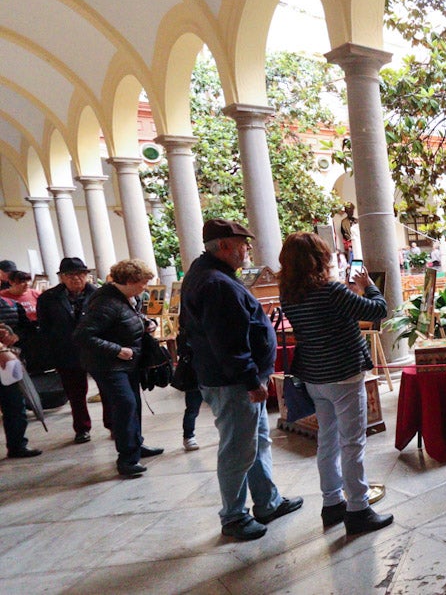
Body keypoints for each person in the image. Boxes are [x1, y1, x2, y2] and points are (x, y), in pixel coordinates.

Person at [181, 219, 303, 541]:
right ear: (224, 246)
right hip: (233, 383)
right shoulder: (216, 284)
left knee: (255, 441)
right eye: (243, 244)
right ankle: (233, 517)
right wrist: (251, 380)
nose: (247, 249)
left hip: (234, 379)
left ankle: (267, 502)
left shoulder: (207, 274)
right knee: (237, 449)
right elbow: (229, 343)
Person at [279, 233, 394, 535]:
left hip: (315, 376)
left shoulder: (289, 294)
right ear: (319, 258)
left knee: (327, 441)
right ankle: (358, 508)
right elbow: (377, 310)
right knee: (352, 443)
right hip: (343, 375)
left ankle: (332, 504)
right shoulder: (329, 290)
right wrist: (368, 286)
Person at [73, 259, 161, 476]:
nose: (145, 287)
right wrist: (117, 350)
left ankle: (136, 445)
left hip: (127, 362)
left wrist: (147, 324)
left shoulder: (128, 297)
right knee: (125, 405)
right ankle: (127, 459)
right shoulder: (105, 302)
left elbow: (129, 320)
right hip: (107, 365)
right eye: (143, 282)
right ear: (130, 281)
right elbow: (83, 335)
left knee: (134, 403)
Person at [37, 258, 100, 444]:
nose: (76, 279)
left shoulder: (98, 294)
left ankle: (113, 425)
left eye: (81, 274)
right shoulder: (48, 298)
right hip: (67, 352)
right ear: (61, 277)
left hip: (97, 350)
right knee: (75, 393)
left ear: (87, 275)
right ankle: (82, 428)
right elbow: (45, 328)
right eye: (70, 275)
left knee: (108, 390)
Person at [0, 306, 40, 458]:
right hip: (4, 357)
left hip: (6, 365)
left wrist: (11, 335)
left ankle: (17, 445)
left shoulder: (9, 304)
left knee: (15, 404)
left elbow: (25, 329)